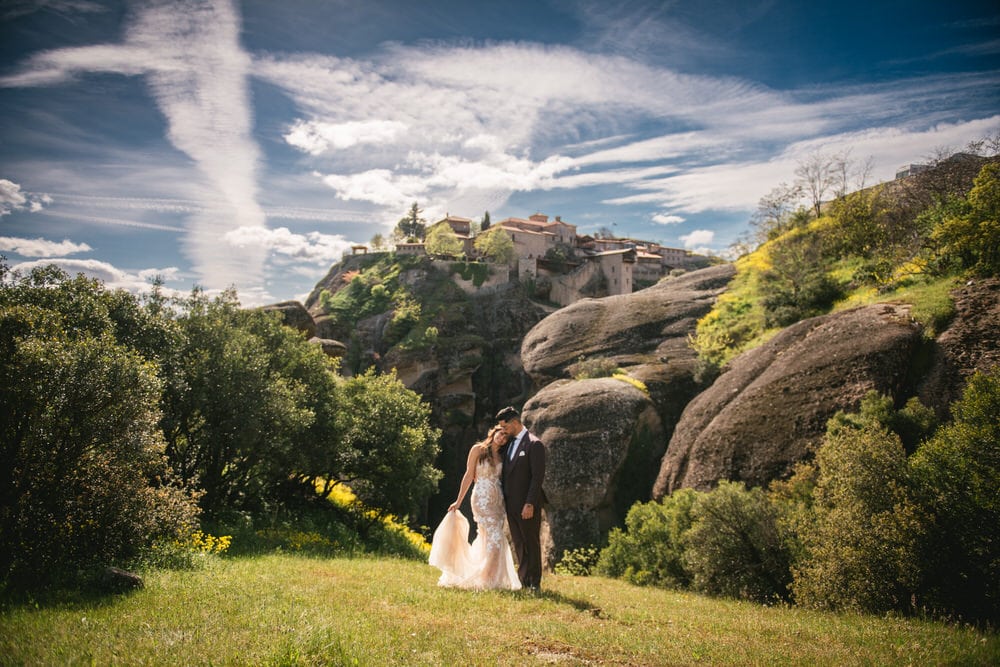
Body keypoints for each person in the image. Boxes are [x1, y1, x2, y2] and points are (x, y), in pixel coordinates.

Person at [428, 426, 521, 590]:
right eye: (501, 434)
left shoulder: (502, 455)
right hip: (481, 500)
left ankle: (490, 577)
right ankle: (486, 579)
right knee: (496, 537)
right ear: (494, 433)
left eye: (506, 437)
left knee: (488, 537)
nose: (502, 438)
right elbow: (468, 475)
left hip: (498, 503)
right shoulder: (478, 449)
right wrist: (458, 501)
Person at [496, 406, 546, 590]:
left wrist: (530, 503)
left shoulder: (534, 444)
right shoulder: (508, 443)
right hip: (510, 505)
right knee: (518, 543)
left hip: (527, 505)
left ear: (515, 422)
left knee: (531, 542)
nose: (503, 430)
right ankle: (523, 580)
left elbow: (537, 477)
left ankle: (535, 583)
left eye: (505, 426)